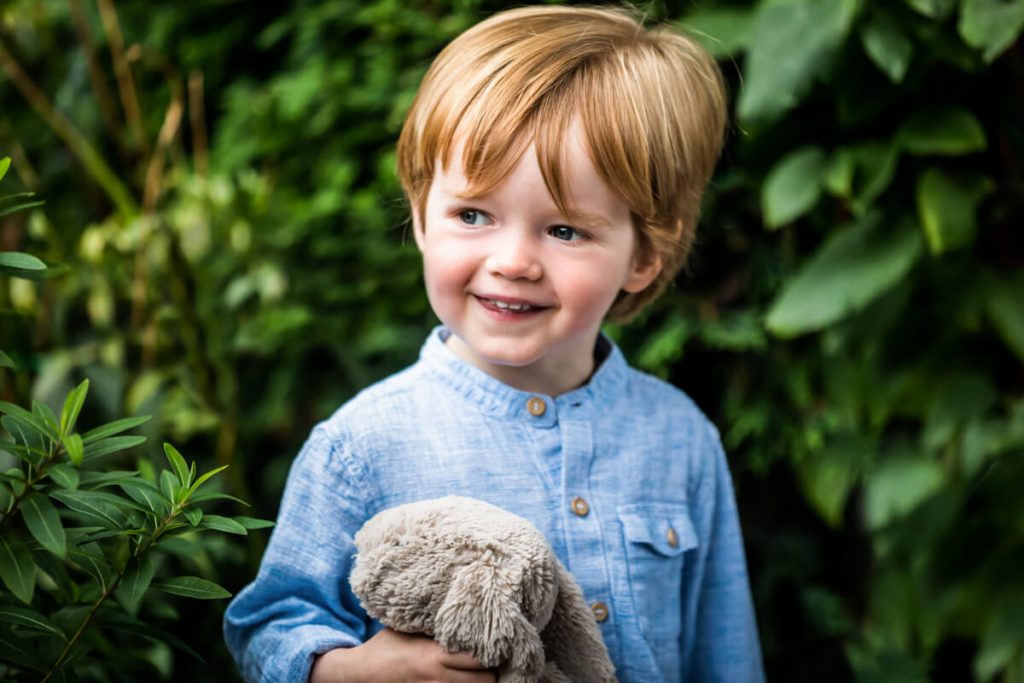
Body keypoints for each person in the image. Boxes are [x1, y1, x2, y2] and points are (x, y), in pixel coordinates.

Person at [223, 5, 764, 682]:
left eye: (564, 230)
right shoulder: (362, 447)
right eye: (473, 214)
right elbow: (267, 629)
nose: (513, 260)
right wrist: (356, 669)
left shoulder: (682, 440)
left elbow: (726, 655)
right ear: (422, 216)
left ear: (645, 254)